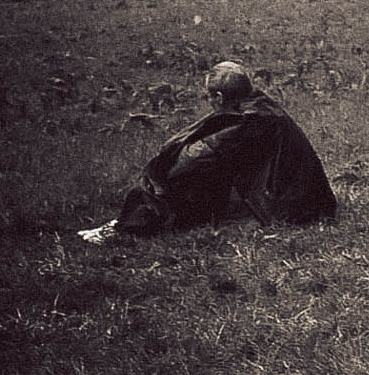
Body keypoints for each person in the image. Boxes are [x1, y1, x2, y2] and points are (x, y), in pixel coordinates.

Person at [79, 61, 335, 242]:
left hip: (287, 204)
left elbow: (199, 157)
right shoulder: (261, 107)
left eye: (209, 97)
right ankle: (127, 223)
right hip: (306, 200)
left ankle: (124, 228)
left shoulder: (249, 120)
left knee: (182, 185)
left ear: (220, 97)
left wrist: (160, 182)